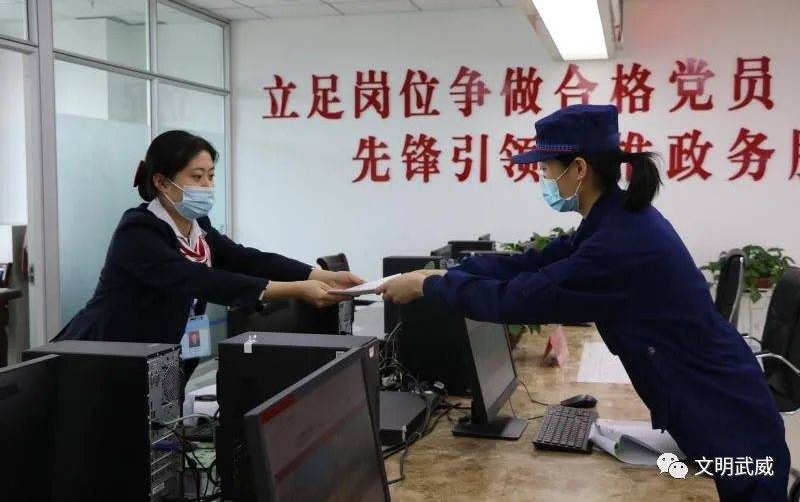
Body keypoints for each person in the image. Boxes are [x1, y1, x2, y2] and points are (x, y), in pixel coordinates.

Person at [376, 104, 790, 502]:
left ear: (578, 169)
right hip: (711, 401)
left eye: (545, 168)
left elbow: (521, 298)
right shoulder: (612, 220)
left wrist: (430, 289)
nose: (542, 178)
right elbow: (530, 263)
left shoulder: (618, 243)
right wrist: (443, 273)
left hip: (726, 416)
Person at [55, 130, 361, 379]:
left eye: (211, 176)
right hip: (99, 358)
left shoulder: (198, 226)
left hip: (158, 360)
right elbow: (197, 279)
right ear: (161, 182)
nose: (207, 186)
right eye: (197, 176)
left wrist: (318, 274)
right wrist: (296, 290)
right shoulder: (138, 231)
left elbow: (246, 259)